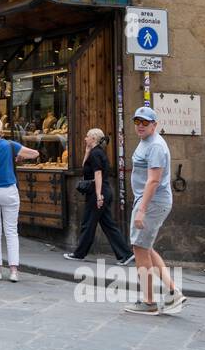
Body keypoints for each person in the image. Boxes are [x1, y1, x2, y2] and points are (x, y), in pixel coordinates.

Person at [125, 107, 186, 315]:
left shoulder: (156, 146)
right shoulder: (147, 142)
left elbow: (153, 180)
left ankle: (148, 301)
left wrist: (142, 210)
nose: (140, 125)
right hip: (149, 201)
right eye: (137, 122)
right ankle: (172, 291)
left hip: (151, 202)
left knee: (139, 248)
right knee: (146, 247)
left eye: (145, 122)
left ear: (155, 124)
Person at [0, 117, 40, 282]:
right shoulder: (10, 145)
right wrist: (19, 157)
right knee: (11, 231)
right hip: (10, 190)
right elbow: (35, 153)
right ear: (0, 128)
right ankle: (14, 270)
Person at [67, 128, 133, 266]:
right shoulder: (96, 152)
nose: (85, 138)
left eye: (87, 137)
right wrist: (86, 151)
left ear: (93, 139)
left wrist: (98, 196)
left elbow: (98, 174)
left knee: (88, 222)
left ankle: (79, 254)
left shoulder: (96, 154)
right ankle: (125, 254)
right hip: (103, 190)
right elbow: (85, 167)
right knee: (108, 224)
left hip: (98, 191)